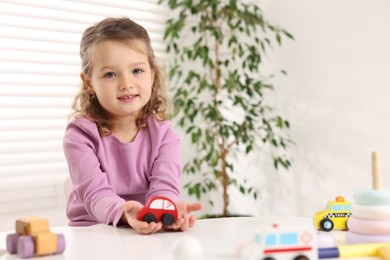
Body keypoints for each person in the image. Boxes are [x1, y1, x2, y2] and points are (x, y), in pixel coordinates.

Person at [63, 17, 203, 234]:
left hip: (147, 228)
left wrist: (165, 213)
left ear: (152, 74)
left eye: (137, 71)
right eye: (110, 74)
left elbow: (165, 186)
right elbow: (95, 194)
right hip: (92, 230)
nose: (126, 84)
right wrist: (125, 212)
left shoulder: (164, 134)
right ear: (89, 83)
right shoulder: (79, 135)